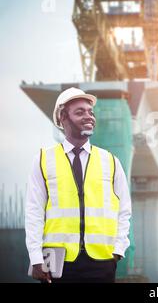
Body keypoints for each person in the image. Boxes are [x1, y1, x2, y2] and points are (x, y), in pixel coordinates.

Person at [25, 87, 132, 283]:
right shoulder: (43, 159)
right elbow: (34, 211)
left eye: (91, 112)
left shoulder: (111, 161)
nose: (89, 116)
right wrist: (35, 257)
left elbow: (124, 211)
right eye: (80, 112)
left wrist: (118, 250)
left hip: (102, 259)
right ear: (63, 117)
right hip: (55, 260)